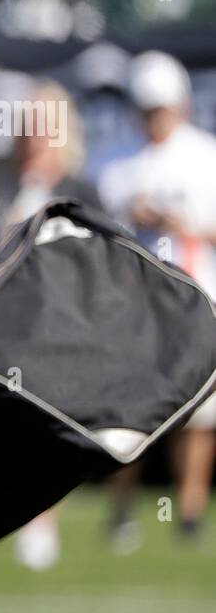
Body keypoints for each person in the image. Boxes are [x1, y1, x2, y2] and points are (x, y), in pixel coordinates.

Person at [98, 50, 216, 546]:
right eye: (148, 109)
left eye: (161, 108)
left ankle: (188, 512)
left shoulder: (204, 155)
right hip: (138, 303)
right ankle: (122, 509)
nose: (154, 119)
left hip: (196, 298)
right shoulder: (120, 163)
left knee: (200, 412)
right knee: (129, 409)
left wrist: (178, 225)